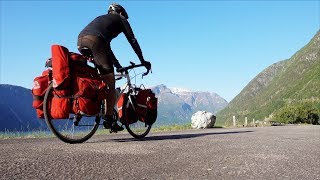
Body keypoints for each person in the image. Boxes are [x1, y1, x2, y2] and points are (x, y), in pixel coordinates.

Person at [77, 3, 151, 132]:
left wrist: (118, 66)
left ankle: (90, 106)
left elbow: (106, 49)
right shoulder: (120, 19)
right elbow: (132, 40)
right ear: (121, 13)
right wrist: (142, 60)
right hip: (95, 42)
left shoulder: (102, 20)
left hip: (81, 41)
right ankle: (109, 119)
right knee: (111, 83)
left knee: (102, 80)